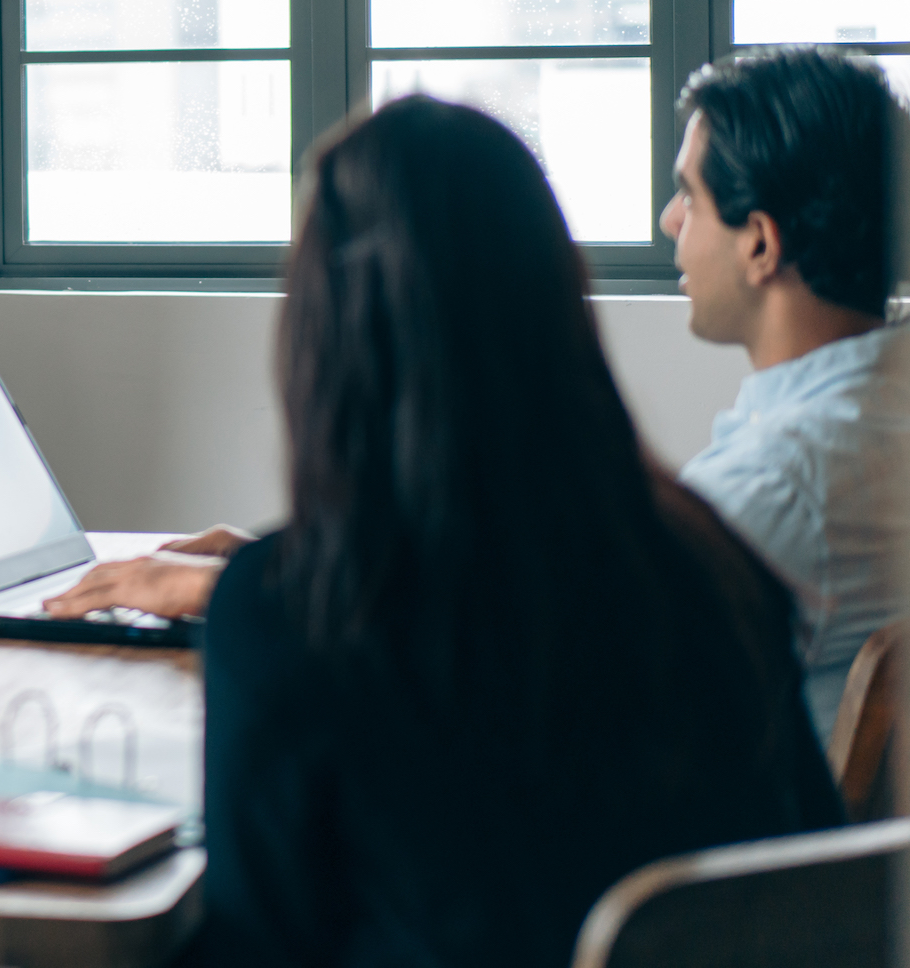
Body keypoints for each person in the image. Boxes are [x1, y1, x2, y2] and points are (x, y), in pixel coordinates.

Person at [197, 98, 841, 968]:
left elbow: (253, 945)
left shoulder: (290, 612)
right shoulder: (714, 572)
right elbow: (815, 884)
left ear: (326, 330)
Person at [662, 48, 910, 740]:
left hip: (734, 845)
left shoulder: (781, 484)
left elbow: (592, 689)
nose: (670, 220)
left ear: (760, 245)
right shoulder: (909, 421)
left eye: (689, 196)